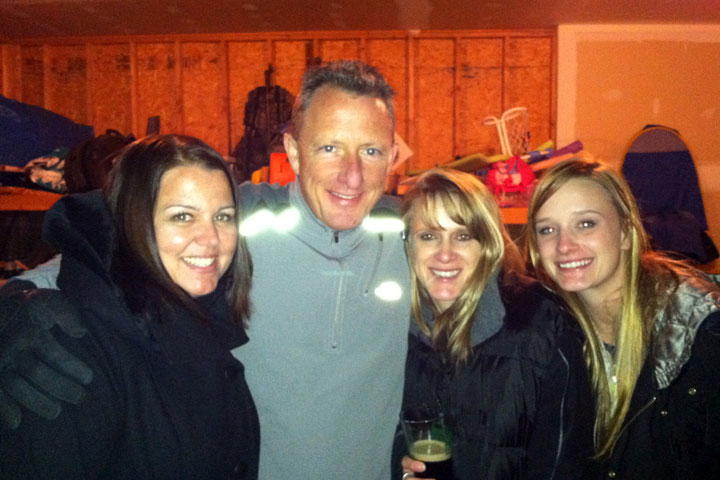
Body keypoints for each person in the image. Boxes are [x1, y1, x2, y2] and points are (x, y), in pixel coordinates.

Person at [0, 60, 410, 479]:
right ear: (293, 152)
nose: (351, 176)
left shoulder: (415, 234)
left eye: (371, 151)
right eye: (330, 148)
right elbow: (115, 248)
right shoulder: (235, 219)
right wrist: (18, 308)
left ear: (393, 157)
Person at [0, 134, 259, 479]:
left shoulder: (202, 313)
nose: (211, 239)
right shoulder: (70, 353)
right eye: (183, 216)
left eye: (224, 217)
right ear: (131, 222)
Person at [524, 158, 720, 479]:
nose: (564, 245)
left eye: (586, 223)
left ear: (626, 232)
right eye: (547, 229)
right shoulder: (549, 328)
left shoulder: (702, 331)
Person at [394, 168, 592, 480]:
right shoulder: (389, 329)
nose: (445, 254)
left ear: (487, 244)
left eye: (463, 236)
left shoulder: (541, 321)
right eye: (429, 236)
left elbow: (566, 460)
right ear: (408, 244)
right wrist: (400, 469)